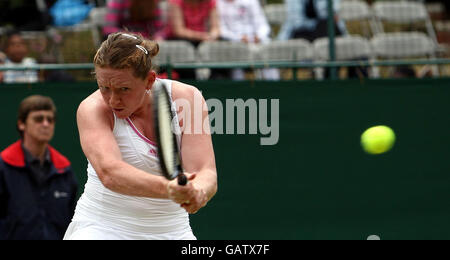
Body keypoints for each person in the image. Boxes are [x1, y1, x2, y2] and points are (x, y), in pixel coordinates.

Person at [64, 32, 217, 240]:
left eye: (124, 89)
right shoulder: (91, 109)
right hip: (101, 228)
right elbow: (110, 173)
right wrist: (171, 189)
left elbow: (204, 171)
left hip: (173, 231)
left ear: (149, 80)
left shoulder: (188, 98)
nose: (112, 100)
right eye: (104, 88)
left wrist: (198, 192)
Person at [0, 95, 78, 240]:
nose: (45, 124)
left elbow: (73, 219)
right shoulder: (4, 166)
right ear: (21, 124)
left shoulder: (64, 169)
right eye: (38, 119)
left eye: (50, 119)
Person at [217, 0, 279, 80]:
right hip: (234, 43)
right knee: (234, 55)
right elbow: (222, 30)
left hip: (257, 41)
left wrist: (259, 36)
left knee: (267, 53)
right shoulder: (218, 3)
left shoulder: (251, 1)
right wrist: (238, 38)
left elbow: (263, 26)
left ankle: (274, 86)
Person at [277, 0, 346, 42]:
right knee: (325, 27)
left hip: (324, 31)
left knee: (328, 26)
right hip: (300, 33)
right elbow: (297, 23)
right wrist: (316, 24)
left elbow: (332, 15)